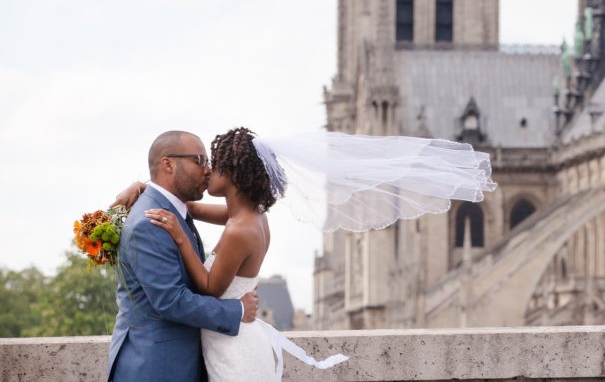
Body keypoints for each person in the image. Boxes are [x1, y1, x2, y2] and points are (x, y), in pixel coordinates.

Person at [115, 126, 497, 380]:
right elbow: (191, 211)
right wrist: (139, 190)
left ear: (232, 175)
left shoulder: (239, 227)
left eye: (211, 164)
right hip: (217, 343)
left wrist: (184, 244)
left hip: (231, 342)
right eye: (201, 162)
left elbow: (208, 288)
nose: (207, 170)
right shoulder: (248, 216)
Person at [107, 130, 259, 382]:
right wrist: (238, 309)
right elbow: (170, 300)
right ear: (168, 164)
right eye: (200, 160)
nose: (208, 170)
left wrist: (143, 185)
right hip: (155, 367)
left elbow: (240, 213)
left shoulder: (173, 210)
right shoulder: (150, 221)